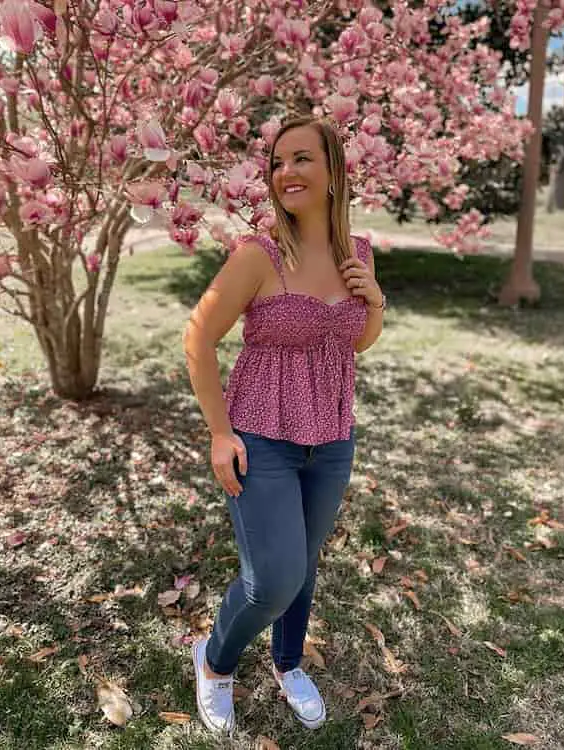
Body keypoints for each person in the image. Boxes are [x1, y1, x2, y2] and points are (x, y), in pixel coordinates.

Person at [183, 115, 386, 736]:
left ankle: (288, 661)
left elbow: (359, 343)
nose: (286, 172)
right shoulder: (258, 254)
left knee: (303, 563)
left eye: (301, 158)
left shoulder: (359, 253)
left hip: (331, 440)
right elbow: (198, 340)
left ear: (334, 172)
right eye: (277, 162)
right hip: (260, 438)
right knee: (271, 579)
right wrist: (220, 434)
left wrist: (373, 299)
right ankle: (214, 662)